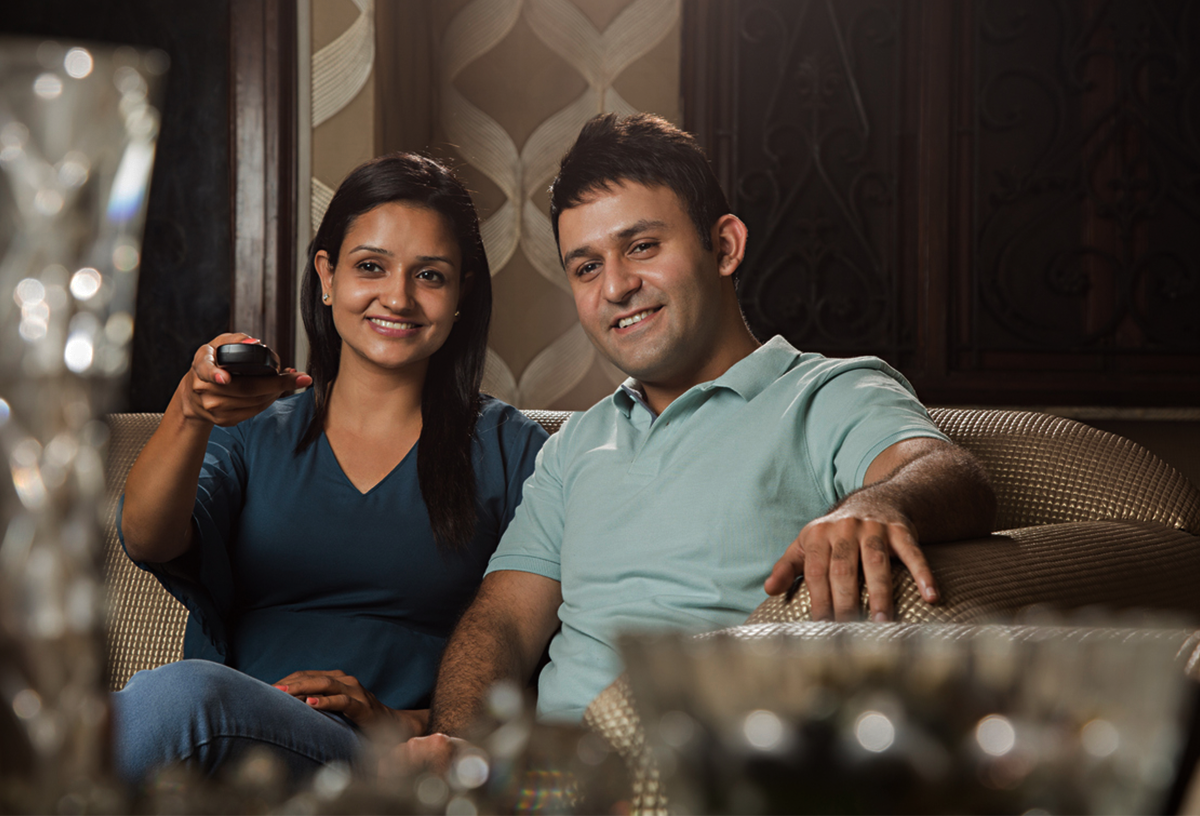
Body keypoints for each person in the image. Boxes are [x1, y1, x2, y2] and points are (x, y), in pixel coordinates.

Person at [413, 113, 997, 746]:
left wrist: (877, 504)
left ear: (724, 247)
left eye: (641, 246)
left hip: (707, 772)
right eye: (586, 267)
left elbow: (948, 472)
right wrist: (461, 756)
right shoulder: (575, 445)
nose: (616, 287)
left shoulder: (825, 393)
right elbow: (500, 622)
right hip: (553, 786)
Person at [111, 153, 547, 784]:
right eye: (371, 266)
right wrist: (190, 409)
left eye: (429, 275)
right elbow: (148, 536)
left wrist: (411, 721)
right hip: (235, 749)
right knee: (178, 703)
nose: (396, 297)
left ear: (461, 293)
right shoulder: (253, 433)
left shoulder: (514, 451)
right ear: (327, 274)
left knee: (184, 698)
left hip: (378, 762)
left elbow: (547, 660)